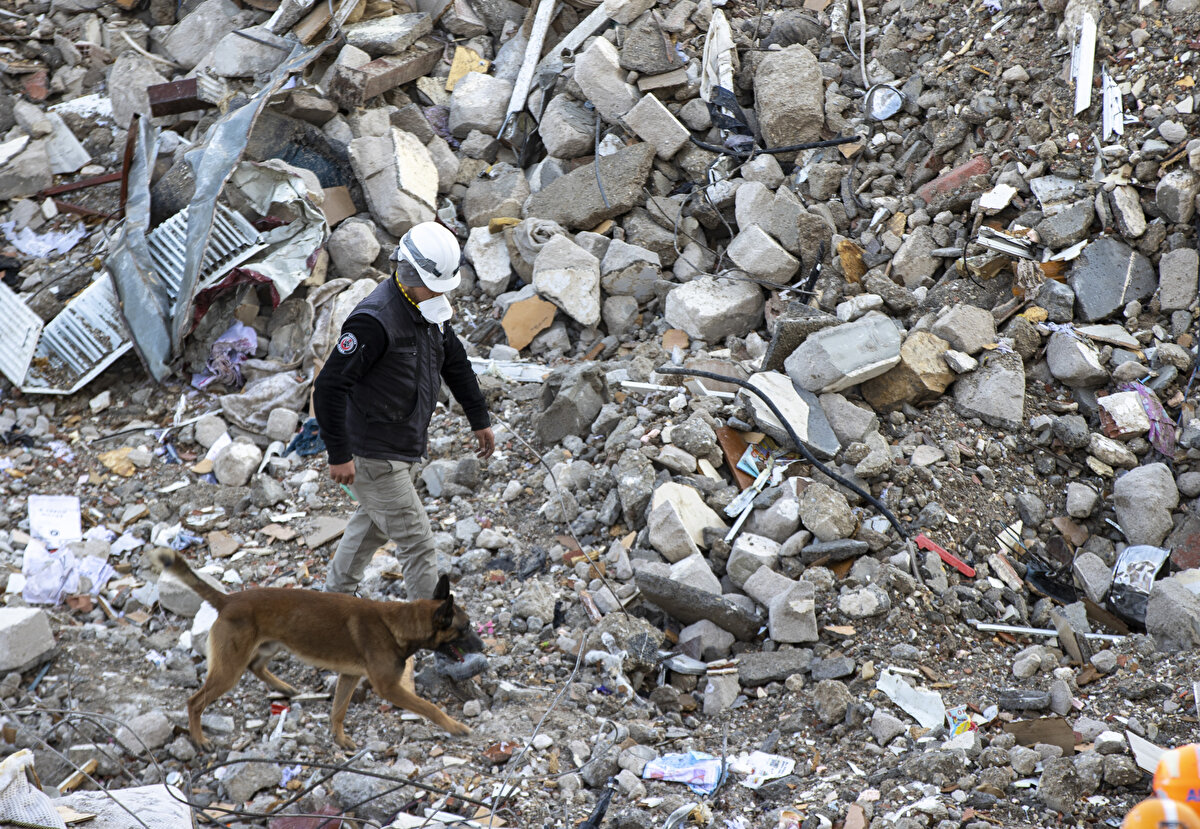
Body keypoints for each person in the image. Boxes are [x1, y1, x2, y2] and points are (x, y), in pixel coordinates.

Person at [313, 221, 494, 613]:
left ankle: (331, 606)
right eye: (435, 285)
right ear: (410, 272)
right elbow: (329, 387)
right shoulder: (374, 321)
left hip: (402, 446)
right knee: (416, 541)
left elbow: (456, 363)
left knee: (372, 527)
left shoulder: (429, 309)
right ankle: (436, 635)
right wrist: (339, 455)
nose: (442, 294)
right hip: (372, 453)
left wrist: (478, 416)